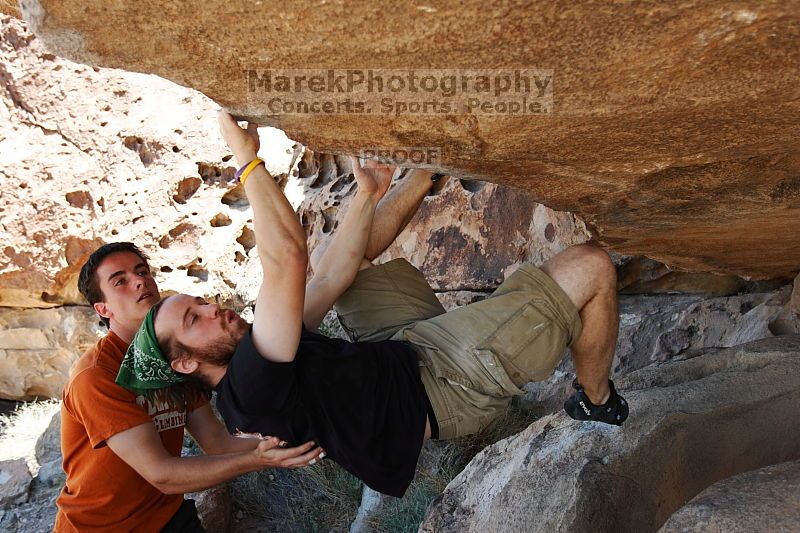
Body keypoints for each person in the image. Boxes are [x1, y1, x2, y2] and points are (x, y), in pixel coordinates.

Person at [120, 110, 628, 498]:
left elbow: (332, 275)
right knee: (591, 266)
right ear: (185, 363)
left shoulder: (255, 354)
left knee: (331, 258)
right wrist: (248, 160)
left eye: (201, 302)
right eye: (195, 319)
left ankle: (424, 174)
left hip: (400, 351)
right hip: (442, 386)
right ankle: (595, 402)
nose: (213, 310)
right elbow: (285, 258)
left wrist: (368, 195)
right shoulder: (249, 388)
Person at [55, 242, 324, 532]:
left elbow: (217, 441)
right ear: (102, 308)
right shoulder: (97, 376)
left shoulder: (175, 352)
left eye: (142, 271)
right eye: (120, 281)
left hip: (167, 516)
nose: (139, 281)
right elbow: (161, 474)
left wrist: (300, 437)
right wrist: (256, 460)